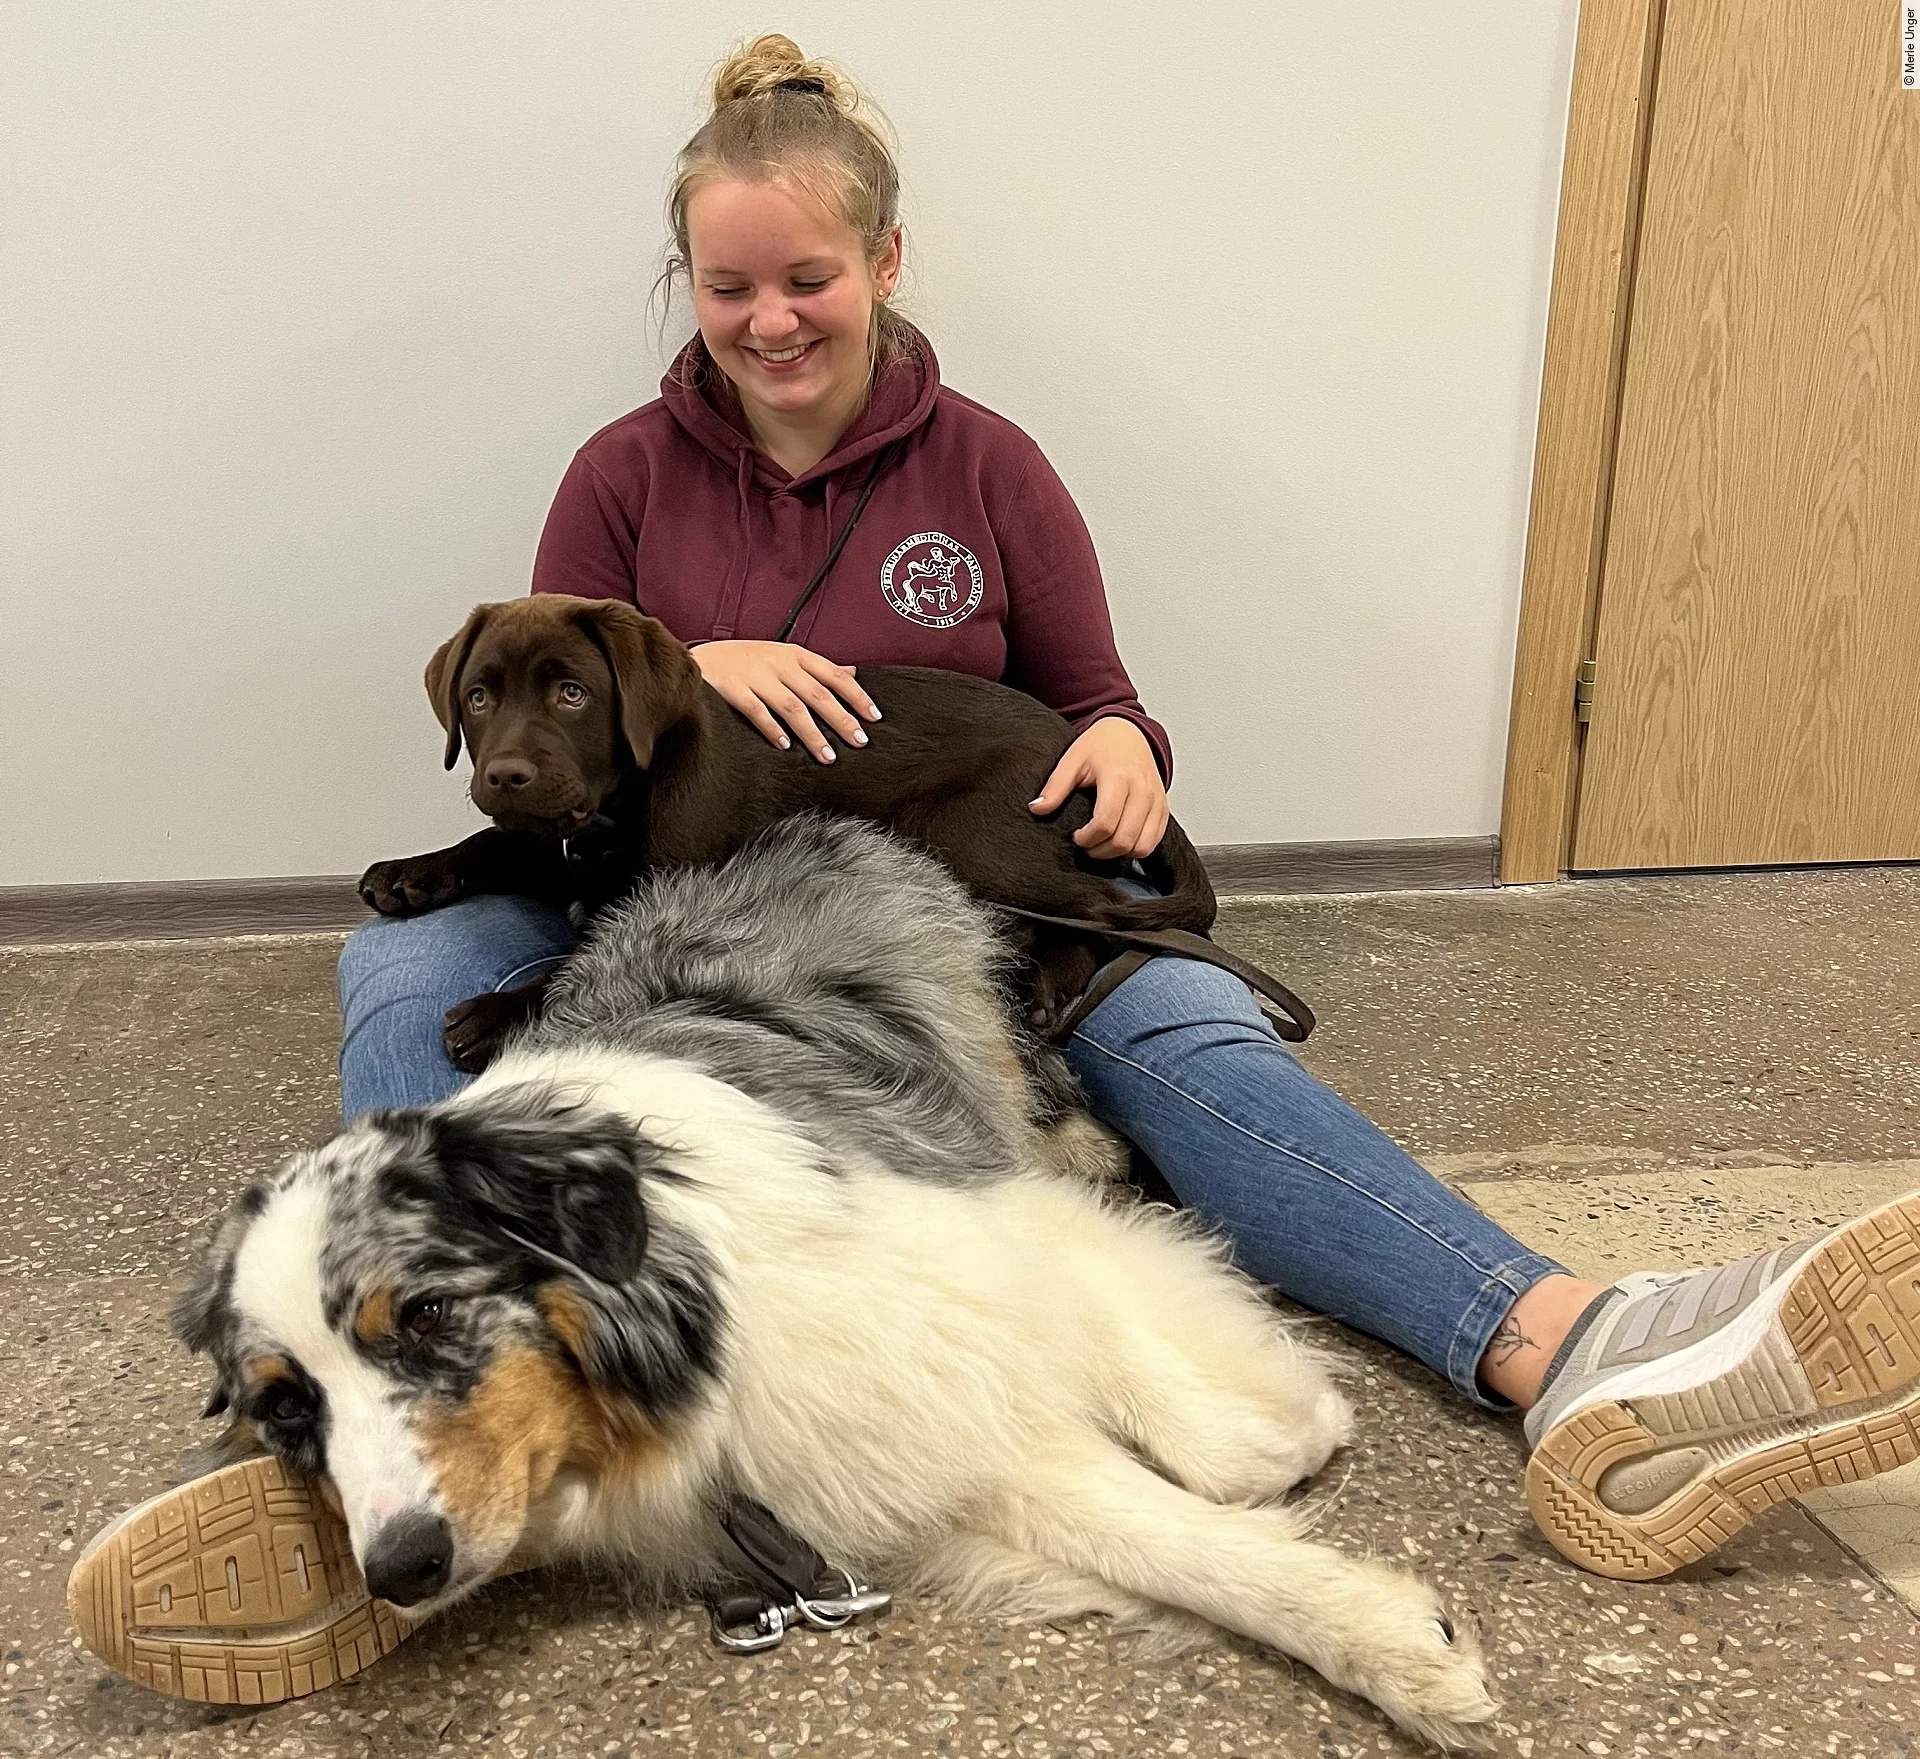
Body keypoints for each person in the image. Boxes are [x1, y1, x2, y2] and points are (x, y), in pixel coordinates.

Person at [339, 35, 1920, 1579]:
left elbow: (1097, 694)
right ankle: (424, 1371)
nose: (770, 321)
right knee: (402, 970)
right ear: (690, 287)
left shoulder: (991, 469)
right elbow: (548, 690)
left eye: (806, 278)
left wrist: (1128, 746)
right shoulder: (624, 473)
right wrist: (695, 661)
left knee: (1180, 1036)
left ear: (888, 259)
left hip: (936, 908)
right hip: (640, 894)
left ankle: (1571, 1343)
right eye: (730, 287)